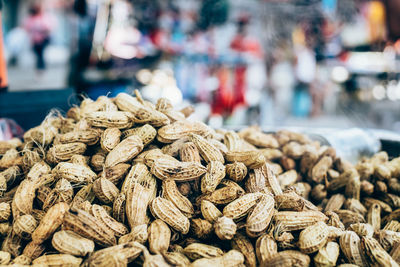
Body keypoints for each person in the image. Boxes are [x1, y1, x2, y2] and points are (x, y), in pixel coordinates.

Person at [24, 4, 54, 71]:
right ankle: (40, 68)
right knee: (38, 54)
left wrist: (41, 30)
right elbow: (27, 28)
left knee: (40, 54)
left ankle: (40, 68)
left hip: (42, 39)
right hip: (34, 40)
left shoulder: (42, 18)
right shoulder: (30, 19)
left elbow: (48, 28)